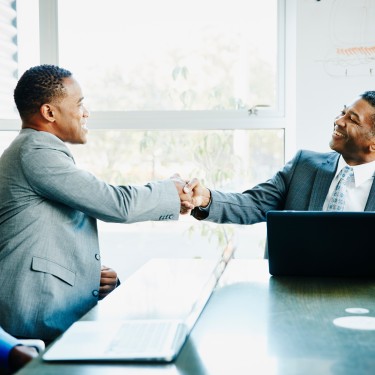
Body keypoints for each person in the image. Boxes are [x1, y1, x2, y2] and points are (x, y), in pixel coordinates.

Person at [0, 65, 193, 342]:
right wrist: (173, 192)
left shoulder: (37, 151)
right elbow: (115, 204)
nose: (86, 112)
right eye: (79, 104)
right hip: (34, 326)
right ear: (49, 112)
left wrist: (92, 277)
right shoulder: (36, 151)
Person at [183, 91, 375, 225]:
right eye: (343, 113)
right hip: (297, 279)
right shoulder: (304, 165)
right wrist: (205, 198)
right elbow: (253, 204)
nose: (338, 121)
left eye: (352, 119)